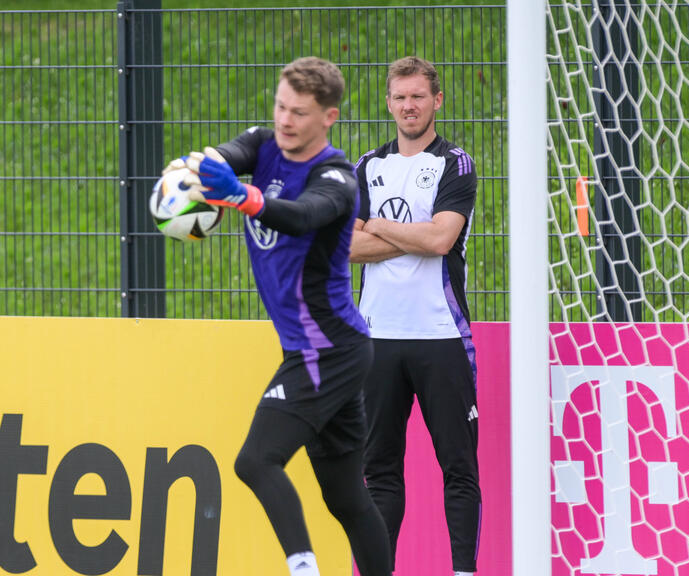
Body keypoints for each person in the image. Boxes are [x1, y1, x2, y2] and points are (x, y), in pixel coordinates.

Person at [172, 56, 392, 576]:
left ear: (329, 117)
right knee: (345, 500)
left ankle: (302, 569)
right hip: (315, 349)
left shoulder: (336, 175)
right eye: (280, 106)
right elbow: (231, 152)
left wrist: (243, 197)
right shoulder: (265, 144)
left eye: (299, 112)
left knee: (255, 460)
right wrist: (199, 168)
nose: (285, 120)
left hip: (329, 350)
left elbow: (302, 216)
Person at [349, 56, 481, 576]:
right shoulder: (366, 167)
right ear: (389, 103)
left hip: (441, 336)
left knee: (459, 469)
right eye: (400, 97)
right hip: (377, 339)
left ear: (437, 102)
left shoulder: (455, 164)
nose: (409, 106)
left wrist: (378, 224)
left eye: (418, 96)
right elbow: (346, 249)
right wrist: (413, 236)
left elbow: (442, 237)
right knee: (378, 471)